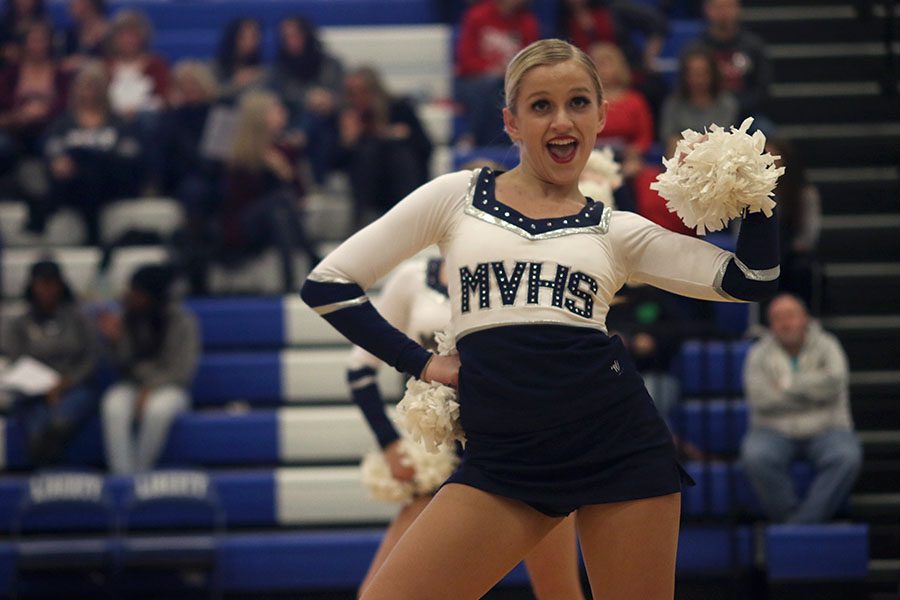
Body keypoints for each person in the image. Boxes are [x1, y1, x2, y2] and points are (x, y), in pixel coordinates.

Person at [301, 38, 779, 598]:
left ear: (602, 117)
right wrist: (422, 364)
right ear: (510, 121)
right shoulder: (458, 197)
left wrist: (749, 189)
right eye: (540, 105)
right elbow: (328, 284)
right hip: (505, 464)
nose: (562, 120)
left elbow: (752, 279)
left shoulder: (615, 230)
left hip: (618, 451)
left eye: (579, 103)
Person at [348, 257, 585, 599]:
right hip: (440, 461)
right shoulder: (412, 278)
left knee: (558, 591)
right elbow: (359, 371)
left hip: (521, 458)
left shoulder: (524, 273)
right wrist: (390, 444)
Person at [740, 293, 861, 523]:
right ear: (770, 324)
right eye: (778, 318)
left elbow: (834, 383)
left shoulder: (828, 345)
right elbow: (761, 398)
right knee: (755, 455)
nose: (785, 323)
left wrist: (785, 386)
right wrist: (814, 393)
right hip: (772, 430)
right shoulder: (757, 354)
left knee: (848, 456)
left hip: (828, 428)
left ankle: (798, 526)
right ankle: (797, 522)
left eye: (791, 316)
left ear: (805, 318)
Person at [98, 264, 200, 474]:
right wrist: (115, 341)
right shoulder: (127, 318)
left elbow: (181, 371)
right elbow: (121, 366)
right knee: (113, 405)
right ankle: (123, 475)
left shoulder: (183, 322)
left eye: (137, 292)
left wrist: (150, 387)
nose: (131, 296)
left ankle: (140, 473)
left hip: (170, 387)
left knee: (158, 410)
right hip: (133, 385)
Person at [219, 90, 320, 292]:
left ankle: (290, 280)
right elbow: (236, 202)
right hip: (246, 225)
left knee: (279, 211)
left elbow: (300, 196)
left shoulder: (287, 150)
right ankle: (313, 261)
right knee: (278, 202)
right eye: (276, 110)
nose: (283, 113)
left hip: (279, 222)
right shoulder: (240, 156)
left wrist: (284, 172)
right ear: (260, 117)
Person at [3, 260, 98, 466]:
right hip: (33, 391)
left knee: (62, 418)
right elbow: (17, 361)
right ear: (32, 286)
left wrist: (65, 383)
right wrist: (44, 385)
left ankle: (51, 468)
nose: (47, 290)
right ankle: (39, 475)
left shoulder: (79, 319)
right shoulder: (19, 323)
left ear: (61, 285)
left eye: (52, 284)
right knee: (37, 423)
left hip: (73, 386)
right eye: (41, 284)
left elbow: (90, 358)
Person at [37, 60, 143, 244]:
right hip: (74, 184)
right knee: (81, 172)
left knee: (90, 166)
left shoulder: (117, 122)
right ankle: (91, 236)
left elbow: (130, 153)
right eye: (84, 86)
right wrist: (57, 160)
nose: (89, 91)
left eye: (93, 86)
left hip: (110, 183)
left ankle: (41, 215)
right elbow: (50, 147)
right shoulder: (63, 123)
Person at [335, 66, 432, 228]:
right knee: (368, 151)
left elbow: (426, 147)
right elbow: (335, 162)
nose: (358, 98)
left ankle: (409, 214)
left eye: (363, 92)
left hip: (400, 180)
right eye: (352, 93)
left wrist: (401, 135)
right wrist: (348, 141)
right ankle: (365, 219)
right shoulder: (348, 116)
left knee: (398, 152)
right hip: (370, 187)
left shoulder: (399, 109)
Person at [270, 16, 343, 186]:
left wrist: (330, 100)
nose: (291, 41)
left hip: (330, 123)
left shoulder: (330, 64)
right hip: (290, 121)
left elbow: (345, 97)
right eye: (286, 37)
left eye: (295, 35)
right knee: (312, 113)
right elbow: (278, 98)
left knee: (317, 117)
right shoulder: (280, 69)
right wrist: (307, 97)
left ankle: (301, 136)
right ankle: (318, 183)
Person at [454, 0, 539, 147]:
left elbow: (531, 62)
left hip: (509, 80)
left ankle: (477, 139)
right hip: (473, 81)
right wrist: (493, 69)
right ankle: (476, 138)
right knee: (492, 88)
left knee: (507, 92)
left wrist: (508, 72)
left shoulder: (527, 22)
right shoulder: (477, 16)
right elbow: (465, 60)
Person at [0, 20, 70, 159]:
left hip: (51, 129)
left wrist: (46, 110)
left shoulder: (61, 74)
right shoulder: (10, 75)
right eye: (33, 41)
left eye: (42, 41)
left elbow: (68, 104)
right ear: (25, 44)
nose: (38, 46)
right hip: (13, 130)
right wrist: (20, 115)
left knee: (54, 149)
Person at [766, 137, 821, 311]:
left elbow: (809, 235)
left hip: (792, 253)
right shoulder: (750, 192)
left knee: (801, 269)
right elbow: (740, 230)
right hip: (764, 250)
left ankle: (804, 315)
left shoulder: (804, 193)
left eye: (773, 156)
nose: (767, 161)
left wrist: (787, 249)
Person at [694, 0, 770, 120]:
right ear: (707, 10)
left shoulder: (753, 47)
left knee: (768, 135)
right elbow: (687, 90)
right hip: (705, 116)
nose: (724, 12)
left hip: (747, 116)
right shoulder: (697, 49)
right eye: (719, 7)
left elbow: (762, 90)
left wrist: (735, 107)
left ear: (738, 9)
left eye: (729, 7)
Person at [659, 45, 738, 150]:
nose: (698, 79)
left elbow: (724, 137)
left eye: (703, 73)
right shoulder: (673, 103)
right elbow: (669, 136)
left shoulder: (726, 103)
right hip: (683, 156)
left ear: (713, 74)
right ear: (685, 75)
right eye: (693, 73)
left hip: (716, 156)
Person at [213, 18, 266, 103]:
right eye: (244, 37)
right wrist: (234, 84)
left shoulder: (264, 71)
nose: (249, 42)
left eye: (254, 37)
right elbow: (210, 95)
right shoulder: (215, 68)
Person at [61, 0, 109, 74]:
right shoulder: (70, 34)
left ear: (88, 4)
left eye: (75, 2)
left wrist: (84, 63)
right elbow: (63, 63)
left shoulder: (108, 34)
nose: (70, 5)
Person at [0, 0, 45, 67]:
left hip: (38, 67)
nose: (24, 1)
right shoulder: (4, 23)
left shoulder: (44, 23)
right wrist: (4, 52)